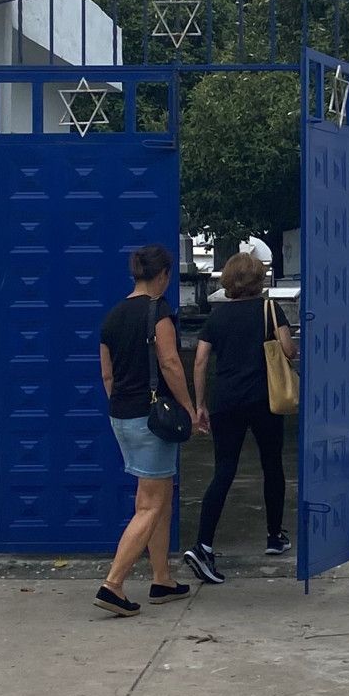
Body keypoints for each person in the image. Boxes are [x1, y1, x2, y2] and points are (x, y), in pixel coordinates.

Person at [93, 243, 200, 615]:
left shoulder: (113, 315)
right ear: (164, 275)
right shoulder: (159, 312)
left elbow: (107, 374)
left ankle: (162, 579)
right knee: (150, 504)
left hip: (121, 415)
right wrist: (189, 407)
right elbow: (170, 362)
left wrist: (119, 403)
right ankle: (113, 584)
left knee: (160, 496)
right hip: (151, 418)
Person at [182, 252, 298, 582]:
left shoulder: (217, 318)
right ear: (258, 279)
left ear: (229, 281)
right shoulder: (269, 309)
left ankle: (203, 543)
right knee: (272, 464)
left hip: (226, 402)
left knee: (224, 470)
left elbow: (201, 361)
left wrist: (200, 403)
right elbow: (289, 350)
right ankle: (274, 536)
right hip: (265, 399)